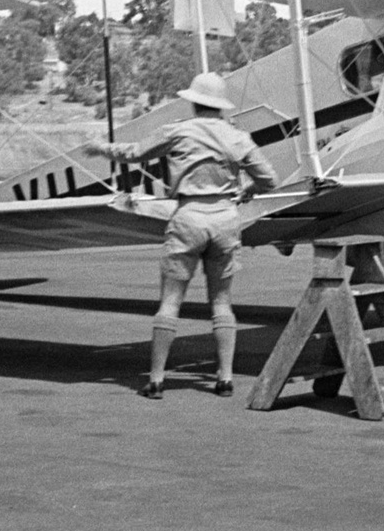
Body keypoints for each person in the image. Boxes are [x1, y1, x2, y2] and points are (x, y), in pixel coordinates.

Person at [85, 72, 278, 400]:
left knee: (171, 300)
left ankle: (157, 379)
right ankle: (225, 378)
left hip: (188, 216)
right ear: (220, 106)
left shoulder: (177, 131)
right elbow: (269, 179)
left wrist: (102, 148)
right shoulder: (237, 137)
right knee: (221, 301)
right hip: (225, 219)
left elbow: (134, 153)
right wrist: (246, 189)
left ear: (193, 101)